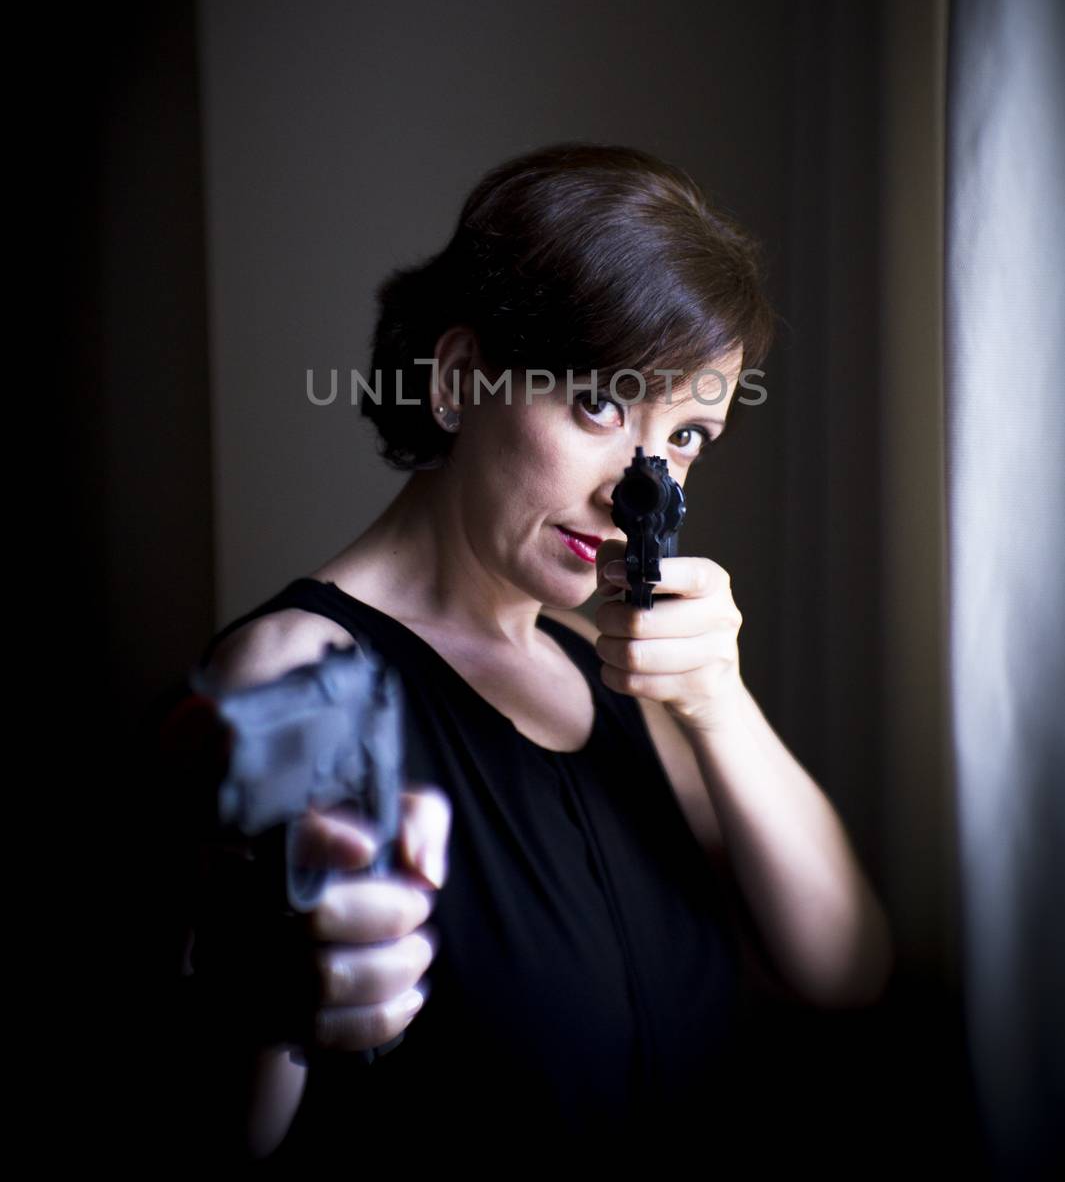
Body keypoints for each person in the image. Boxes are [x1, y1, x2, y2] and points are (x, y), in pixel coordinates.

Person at [161, 142, 894, 1168]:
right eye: (598, 404)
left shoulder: (619, 669)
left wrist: (721, 702)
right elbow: (222, 1122)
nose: (638, 489)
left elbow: (846, 968)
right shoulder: (295, 675)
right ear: (460, 379)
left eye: (686, 436)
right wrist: (267, 1001)